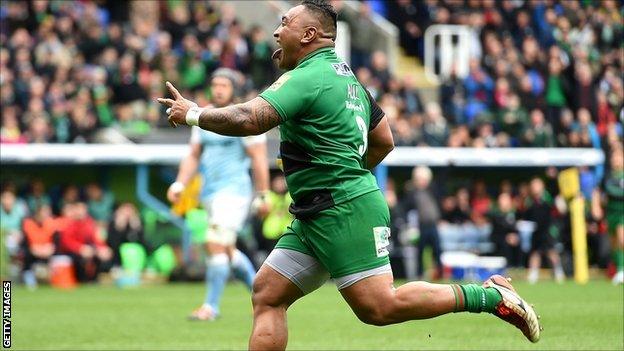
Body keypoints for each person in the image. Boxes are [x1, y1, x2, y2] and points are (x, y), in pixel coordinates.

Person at [158, 1, 541, 348]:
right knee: (268, 293)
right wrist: (346, 174)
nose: (277, 32)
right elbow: (384, 139)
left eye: (284, 23)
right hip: (318, 211)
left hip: (341, 208)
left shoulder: (309, 76)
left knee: (379, 307)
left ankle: (491, 297)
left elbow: (250, 118)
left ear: (308, 35)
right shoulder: (348, 80)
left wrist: (194, 113)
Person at [166, 68, 271, 321]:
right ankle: (266, 300)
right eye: (215, 84)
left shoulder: (243, 117)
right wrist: (180, 183)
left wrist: (264, 194)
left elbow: (258, 158)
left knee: (214, 242)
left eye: (224, 85)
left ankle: (210, 307)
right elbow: (193, 155)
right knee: (228, 251)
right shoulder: (202, 116)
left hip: (234, 193)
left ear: (234, 89)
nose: (219, 89)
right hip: (211, 193)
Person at [524, 178, 565, 284]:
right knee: (535, 252)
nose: (535, 188)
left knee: (551, 252)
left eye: (537, 185)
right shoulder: (530, 200)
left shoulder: (548, 197)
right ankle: (533, 274)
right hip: (536, 230)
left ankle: (558, 272)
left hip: (548, 229)